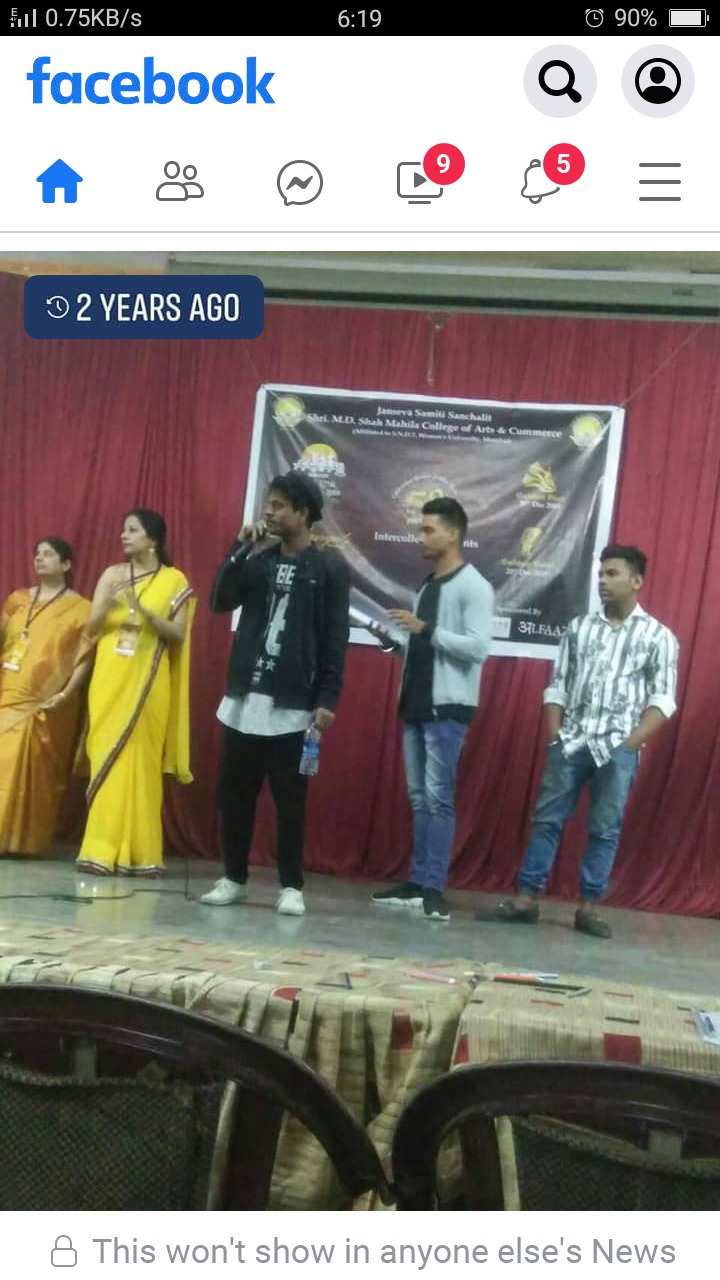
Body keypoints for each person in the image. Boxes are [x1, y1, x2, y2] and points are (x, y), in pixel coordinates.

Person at [488, 545, 679, 939]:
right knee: (546, 821)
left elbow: (663, 701)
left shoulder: (659, 637)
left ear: (636, 581)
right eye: (601, 574)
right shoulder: (578, 629)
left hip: (618, 749)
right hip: (571, 743)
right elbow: (557, 686)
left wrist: (629, 746)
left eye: (612, 574)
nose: (602, 581)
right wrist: (555, 738)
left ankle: (589, 908)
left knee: (605, 828)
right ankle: (526, 900)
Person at [201, 472, 350, 916]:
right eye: (269, 503)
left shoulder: (328, 568)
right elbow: (219, 601)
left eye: (280, 505)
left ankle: (291, 886)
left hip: (292, 703)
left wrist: (327, 697)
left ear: (303, 514)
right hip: (245, 697)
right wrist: (239, 548)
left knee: (289, 802)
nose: (269, 511)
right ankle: (233, 877)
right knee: (234, 795)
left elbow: (334, 638)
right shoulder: (259, 561)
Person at [369, 497, 495, 922]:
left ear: (453, 534)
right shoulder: (426, 587)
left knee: (439, 799)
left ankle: (434, 888)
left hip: (448, 708)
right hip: (416, 703)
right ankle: (418, 881)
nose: (420, 537)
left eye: (428, 530)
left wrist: (425, 629)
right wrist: (394, 644)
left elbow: (477, 648)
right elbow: (424, 647)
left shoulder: (474, 586)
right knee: (420, 799)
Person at [75, 509, 195, 876]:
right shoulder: (111, 574)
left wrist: (145, 612)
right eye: (123, 530)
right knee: (105, 754)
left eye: (132, 530)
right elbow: (92, 627)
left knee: (141, 763)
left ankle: (142, 854)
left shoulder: (173, 580)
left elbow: (177, 635)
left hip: (149, 682)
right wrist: (108, 604)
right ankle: (99, 849)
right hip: (109, 678)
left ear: (153, 539)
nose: (124, 536)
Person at [0, 538, 91, 856]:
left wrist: (67, 693)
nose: (39, 558)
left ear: (66, 564)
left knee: (35, 771)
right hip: (9, 691)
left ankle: (22, 841)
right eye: (37, 553)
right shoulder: (17, 600)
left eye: (48, 554)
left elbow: (84, 659)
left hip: (49, 702)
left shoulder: (82, 610)